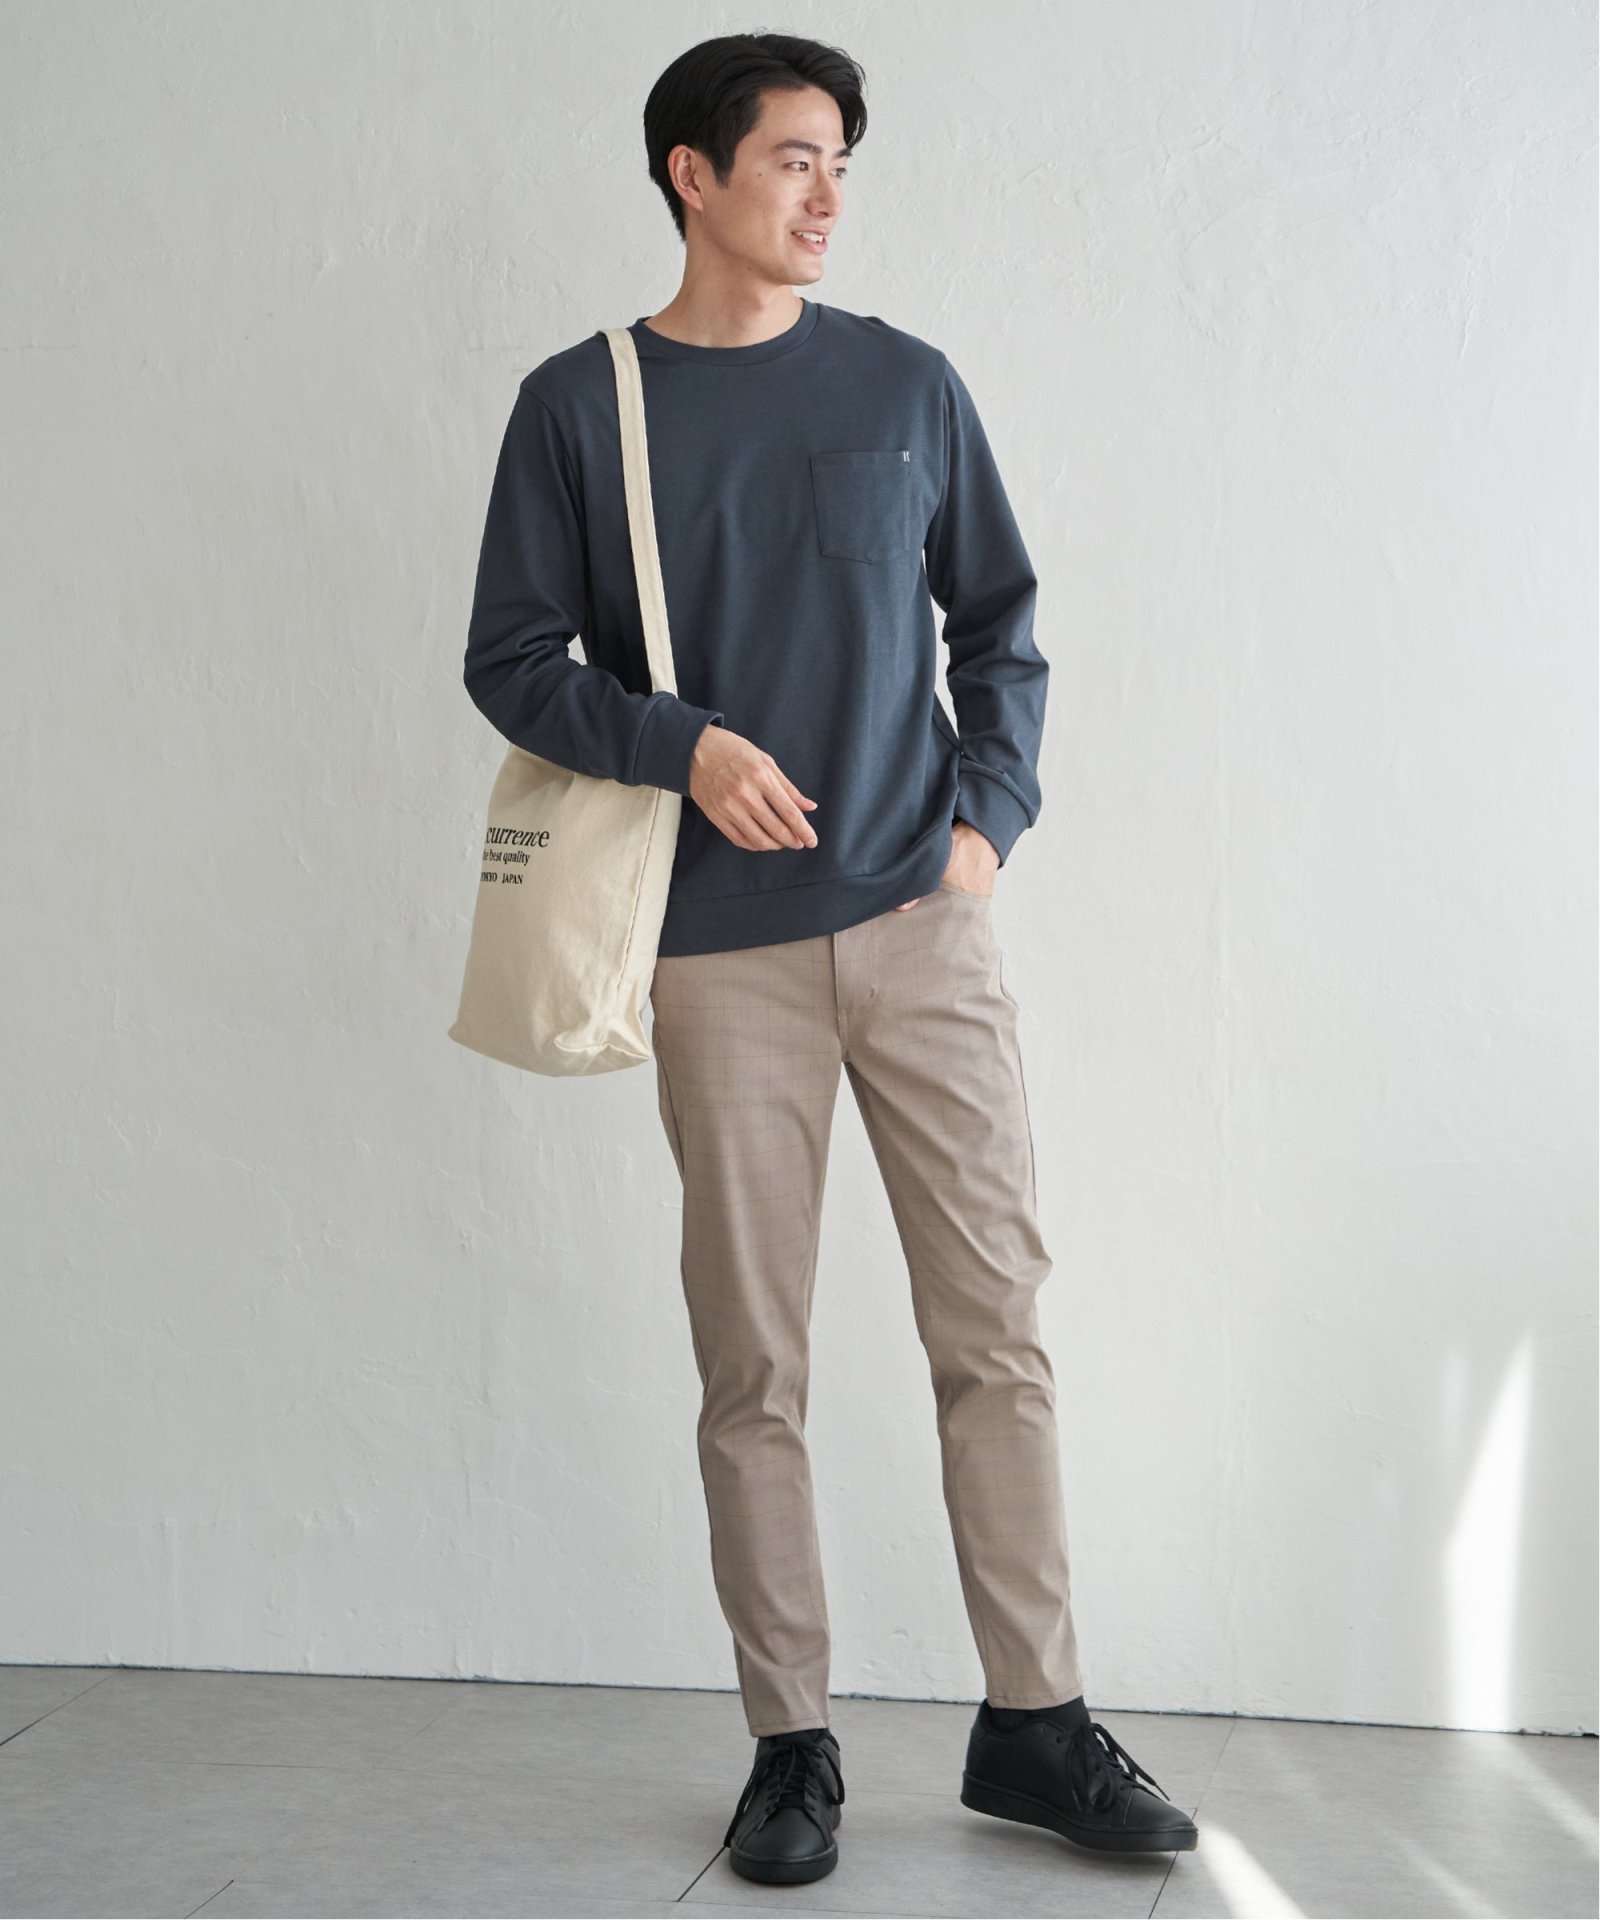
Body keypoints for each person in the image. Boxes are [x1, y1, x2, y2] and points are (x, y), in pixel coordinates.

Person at [462, 29, 1199, 1887]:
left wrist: (984, 828)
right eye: (793, 158)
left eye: (840, 164)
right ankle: (792, 1745)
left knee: (995, 1330)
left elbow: (1002, 627)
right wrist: (680, 744)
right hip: (718, 954)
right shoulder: (581, 406)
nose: (827, 195)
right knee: (754, 1362)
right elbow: (512, 656)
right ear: (692, 176)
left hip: (922, 929)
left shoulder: (905, 383)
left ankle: (1036, 1722)